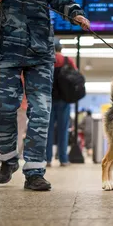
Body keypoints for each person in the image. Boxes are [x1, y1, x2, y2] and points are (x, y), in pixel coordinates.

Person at [0, 0, 90, 191]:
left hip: (40, 51)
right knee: (2, 105)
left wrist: (76, 14)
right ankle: (8, 158)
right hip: (4, 51)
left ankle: (35, 172)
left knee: (41, 110)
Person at [46, 39, 76, 167]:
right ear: (60, 48)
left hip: (49, 99)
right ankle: (63, 159)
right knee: (63, 130)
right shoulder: (67, 60)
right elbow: (75, 76)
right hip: (64, 99)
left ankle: (47, 159)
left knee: (48, 130)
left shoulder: (47, 60)